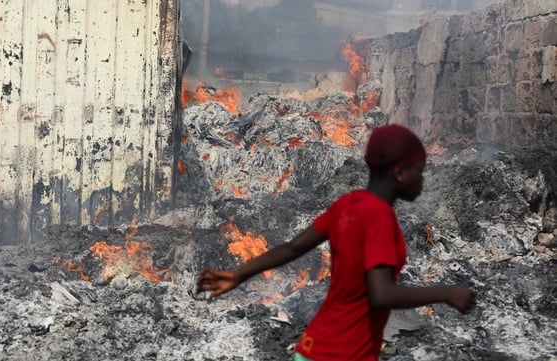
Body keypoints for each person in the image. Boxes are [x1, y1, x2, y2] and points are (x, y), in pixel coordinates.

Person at [195, 124, 477, 361]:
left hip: (311, 347)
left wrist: (237, 274)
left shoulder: (348, 204)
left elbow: (293, 247)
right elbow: (381, 294)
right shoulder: (379, 217)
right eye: (420, 170)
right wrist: (446, 293)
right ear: (400, 173)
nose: (423, 179)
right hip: (343, 354)